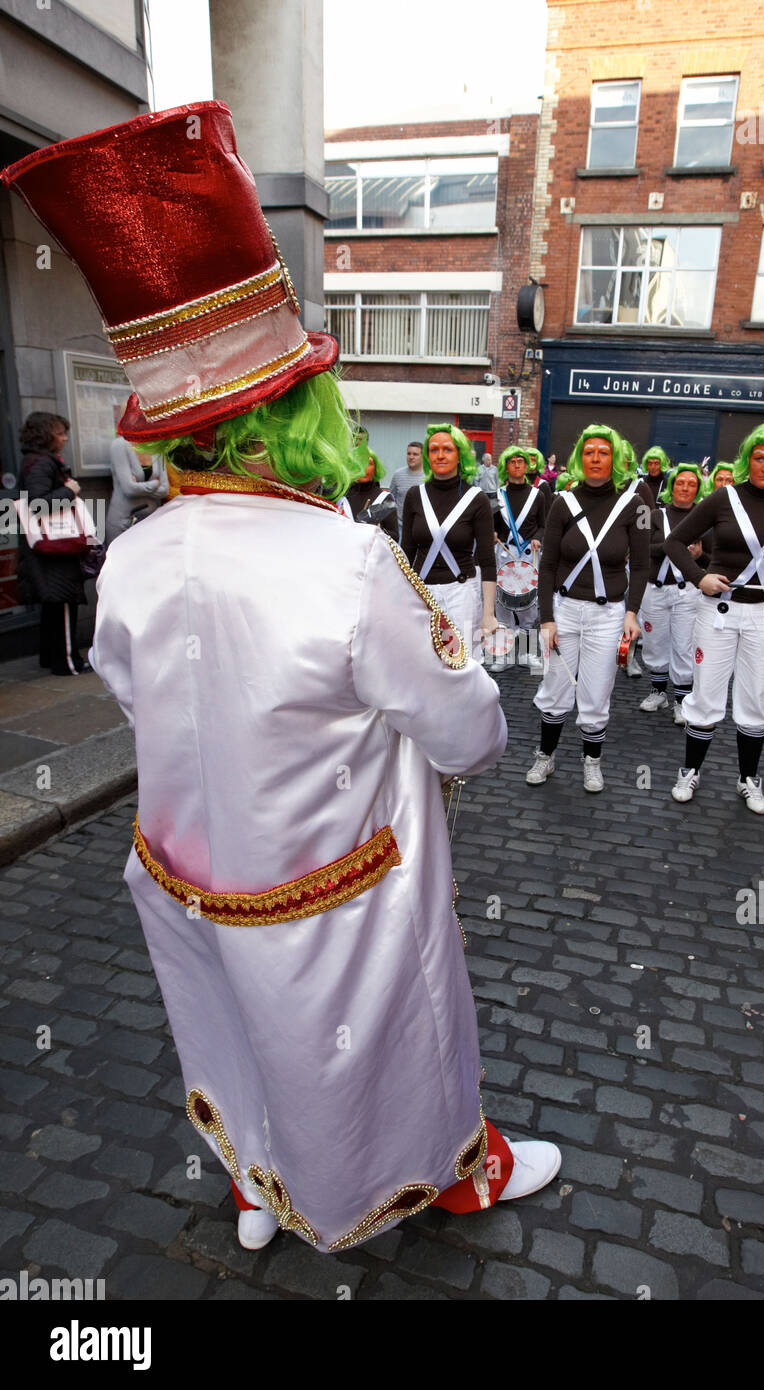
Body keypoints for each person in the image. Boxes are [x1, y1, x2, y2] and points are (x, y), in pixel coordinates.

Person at [3, 99, 562, 1257]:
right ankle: (451, 1175)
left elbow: (130, 686)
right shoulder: (349, 559)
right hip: (332, 881)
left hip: (184, 866)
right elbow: (468, 733)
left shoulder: (138, 552)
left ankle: (259, 1186)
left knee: (233, 1031)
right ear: (304, 404)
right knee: (380, 1042)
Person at [663, 421, 764, 813]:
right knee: (705, 697)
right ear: (747, 460)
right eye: (759, 458)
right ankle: (690, 770)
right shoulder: (723, 498)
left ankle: (748, 779)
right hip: (718, 613)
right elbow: (673, 542)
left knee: (755, 700)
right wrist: (699, 577)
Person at [527, 424, 650, 793]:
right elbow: (547, 565)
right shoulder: (562, 501)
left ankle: (592, 762)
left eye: (604, 452)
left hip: (609, 614)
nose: (596, 459)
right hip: (564, 610)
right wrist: (546, 618)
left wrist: (632, 612)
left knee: (597, 692)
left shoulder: (637, 505)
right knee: (555, 686)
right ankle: (545, 756)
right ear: (580, 458)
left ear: (615, 459)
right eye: (589, 452)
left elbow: (642, 565)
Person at [402, 423, 498, 658]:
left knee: (460, 665)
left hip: (461, 593)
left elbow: (487, 560)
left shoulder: (477, 499)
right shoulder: (415, 496)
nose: (440, 455)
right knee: (419, 663)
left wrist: (488, 613)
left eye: (447, 449)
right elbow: (405, 552)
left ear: (460, 455)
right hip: (420, 594)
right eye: (434, 450)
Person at [16, 412, 92, 675]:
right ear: (46, 434)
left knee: (53, 604)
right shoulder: (42, 464)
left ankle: (50, 657)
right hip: (56, 546)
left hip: (46, 546)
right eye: (60, 433)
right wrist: (70, 490)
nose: (64, 438)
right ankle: (68, 662)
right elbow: (39, 504)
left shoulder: (33, 461)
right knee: (63, 603)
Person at [638, 461, 705, 720]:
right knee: (655, 643)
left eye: (691, 484)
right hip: (654, 589)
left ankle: (682, 700)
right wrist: (671, 546)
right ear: (671, 486)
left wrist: (700, 555)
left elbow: (712, 555)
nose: (685, 488)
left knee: (684, 645)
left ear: (698, 488)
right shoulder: (651, 513)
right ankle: (658, 692)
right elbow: (640, 547)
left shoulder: (704, 515)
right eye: (680, 483)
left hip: (687, 591)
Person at [493, 445, 547, 637]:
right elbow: (493, 524)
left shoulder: (538, 495)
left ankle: (527, 652)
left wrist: (537, 538)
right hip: (504, 553)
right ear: (505, 467)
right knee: (502, 602)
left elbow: (543, 524)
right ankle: (503, 653)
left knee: (529, 602)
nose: (516, 465)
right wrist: (493, 533)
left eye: (520, 462)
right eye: (512, 462)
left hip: (528, 554)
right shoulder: (497, 495)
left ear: (527, 466)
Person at [106, 435, 170, 544]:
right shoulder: (120, 445)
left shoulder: (156, 446)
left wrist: (139, 486)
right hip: (124, 522)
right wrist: (155, 483)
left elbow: (165, 490)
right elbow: (129, 490)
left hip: (150, 523)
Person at [339, 445, 399, 540]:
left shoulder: (385, 498)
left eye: (369, 463)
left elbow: (395, 537)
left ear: (376, 468)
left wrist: (379, 529)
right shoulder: (341, 497)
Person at [389, 441, 425, 532]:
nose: (411, 457)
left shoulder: (429, 477)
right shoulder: (398, 475)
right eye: (409, 454)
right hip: (400, 527)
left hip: (421, 526)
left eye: (415, 454)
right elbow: (391, 499)